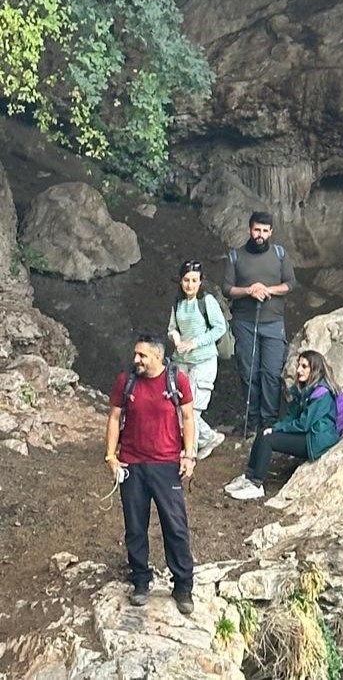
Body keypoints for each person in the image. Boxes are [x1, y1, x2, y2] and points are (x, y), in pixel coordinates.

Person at [104, 334, 196, 613]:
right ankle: (141, 581)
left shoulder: (176, 380)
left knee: (176, 527)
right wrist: (111, 456)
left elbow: (189, 418)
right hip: (132, 464)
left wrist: (189, 455)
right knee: (135, 526)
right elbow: (114, 417)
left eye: (142, 355)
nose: (136, 360)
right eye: (136, 354)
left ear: (157, 356)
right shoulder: (126, 380)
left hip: (166, 464)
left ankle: (183, 587)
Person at [224, 350, 341, 501]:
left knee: (268, 440)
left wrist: (278, 429)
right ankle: (249, 476)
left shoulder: (322, 393)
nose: (298, 370)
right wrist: (274, 427)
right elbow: (291, 416)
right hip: (308, 433)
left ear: (315, 370)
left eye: (304, 366)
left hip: (315, 440)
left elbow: (304, 424)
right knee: (263, 433)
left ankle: (256, 485)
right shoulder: (305, 389)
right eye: (299, 365)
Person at [222, 212, 297, 435]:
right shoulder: (236, 256)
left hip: (273, 322)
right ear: (249, 230)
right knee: (249, 372)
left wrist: (267, 290)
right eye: (257, 230)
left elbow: (290, 283)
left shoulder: (280, 254)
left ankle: (269, 421)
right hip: (244, 322)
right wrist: (249, 290)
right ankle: (252, 420)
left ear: (271, 232)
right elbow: (227, 289)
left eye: (265, 231)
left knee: (271, 373)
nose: (260, 235)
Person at [166, 259, 226, 460]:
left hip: (204, 361)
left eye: (194, 280)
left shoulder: (206, 301)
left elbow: (219, 328)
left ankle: (189, 453)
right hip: (181, 360)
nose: (189, 285)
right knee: (178, 405)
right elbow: (172, 327)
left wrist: (195, 342)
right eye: (186, 280)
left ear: (201, 282)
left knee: (191, 409)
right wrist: (175, 337)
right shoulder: (178, 304)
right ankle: (208, 438)